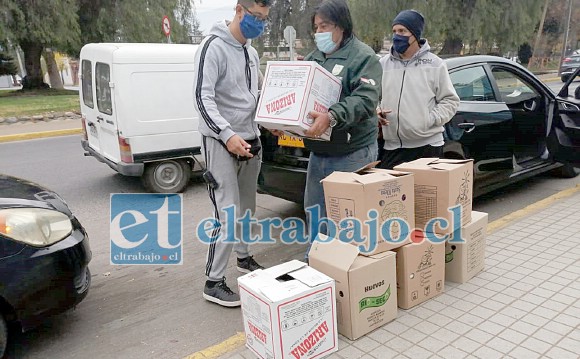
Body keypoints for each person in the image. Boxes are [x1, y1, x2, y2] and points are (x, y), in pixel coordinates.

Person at [272, 0, 381, 258]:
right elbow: (302, 100)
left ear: (342, 25)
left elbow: (365, 100)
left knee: (346, 218)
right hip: (319, 153)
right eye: (316, 27)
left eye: (325, 26)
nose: (319, 32)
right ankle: (318, 262)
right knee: (316, 211)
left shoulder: (364, 57)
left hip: (351, 152)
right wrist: (285, 124)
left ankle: (348, 270)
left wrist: (332, 116)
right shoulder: (314, 58)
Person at [193, 0, 271, 308]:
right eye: (255, 17)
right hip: (221, 142)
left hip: (251, 140)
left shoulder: (251, 53)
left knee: (246, 208)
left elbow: (259, 97)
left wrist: (272, 122)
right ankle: (213, 281)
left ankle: (244, 257)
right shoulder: (212, 47)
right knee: (227, 213)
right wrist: (228, 136)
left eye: (264, 19)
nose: (260, 24)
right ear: (239, 10)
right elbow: (203, 98)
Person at [378, 9, 459, 169]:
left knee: (424, 194)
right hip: (392, 147)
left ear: (415, 35)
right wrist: (377, 111)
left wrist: (428, 119)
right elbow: (374, 97)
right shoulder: (383, 64)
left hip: (427, 147)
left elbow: (450, 101)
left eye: (402, 31)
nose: (396, 36)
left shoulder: (435, 64)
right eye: (394, 31)